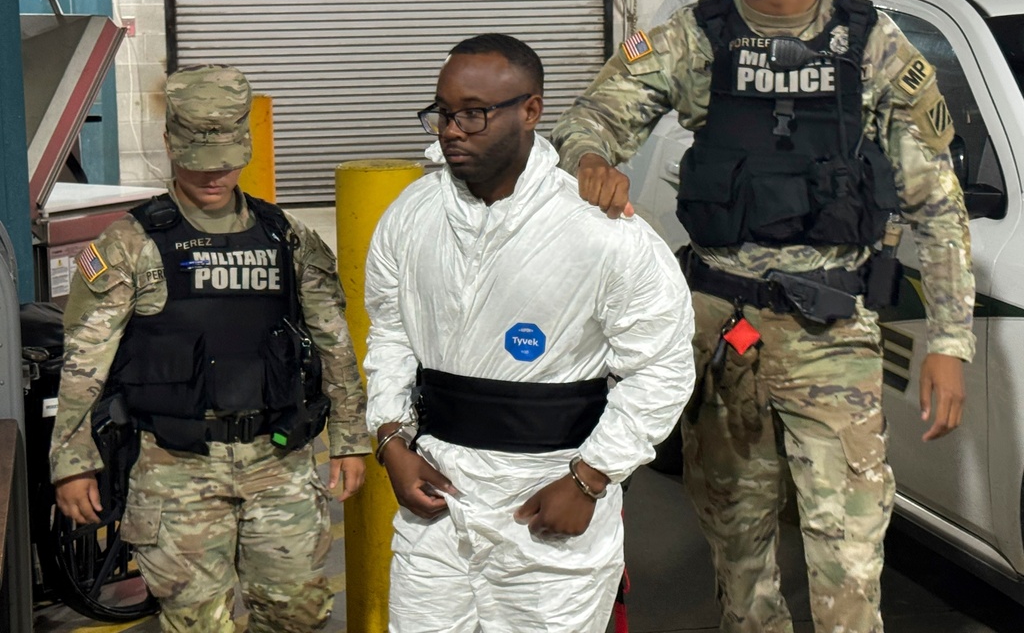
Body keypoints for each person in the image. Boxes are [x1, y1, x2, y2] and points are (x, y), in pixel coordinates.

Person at [549, 0, 976, 632]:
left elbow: (935, 200)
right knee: (740, 562)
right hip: (721, 337)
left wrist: (949, 339)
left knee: (849, 560)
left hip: (834, 337)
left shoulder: (874, 44)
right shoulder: (695, 38)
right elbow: (593, 116)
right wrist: (589, 159)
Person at [363, 33, 696, 632]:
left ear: (532, 111)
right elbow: (390, 338)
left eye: (473, 113)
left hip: (550, 509)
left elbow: (663, 366)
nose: (451, 129)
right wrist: (390, 440)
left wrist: (590, 479)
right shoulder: (410, 218)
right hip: (436, 511)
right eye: (442, 112)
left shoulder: (601, 231)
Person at [49, 64, 370, 632]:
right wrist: (72, 463)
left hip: (280, 459)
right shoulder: (131, 243)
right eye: (198, 161)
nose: (213, 175)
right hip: (174, 468)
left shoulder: (286, 237)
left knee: (297, 612)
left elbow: (334, 345)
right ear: (170, 145)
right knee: (199, 623)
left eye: (225, 161)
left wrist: (349, 439)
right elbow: (83, 360)